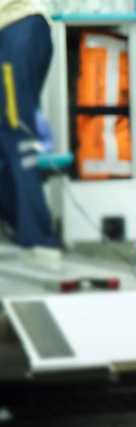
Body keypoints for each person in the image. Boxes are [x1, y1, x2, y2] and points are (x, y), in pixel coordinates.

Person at [0, 0, 57, 247]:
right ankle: (18, 226)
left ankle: (38, 238)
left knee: (16, 132)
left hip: (19, 28)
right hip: (14, 34)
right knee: (8, 136)